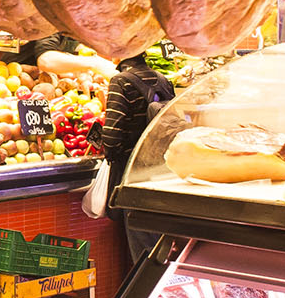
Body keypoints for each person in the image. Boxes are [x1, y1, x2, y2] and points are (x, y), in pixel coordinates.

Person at [101, 53, 177, 271]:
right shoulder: (163, 80)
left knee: (143, 255)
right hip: (162, 174)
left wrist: (104, 145)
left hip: (135, 177)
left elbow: (112, 137)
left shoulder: (121, 81)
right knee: (160, 250)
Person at [10, 32, 118, 79]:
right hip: (13, 83)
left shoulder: (75, 29)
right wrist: (95, 64)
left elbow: (77, 49)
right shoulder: (52, 22)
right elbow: (46, 60)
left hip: (42, 85)